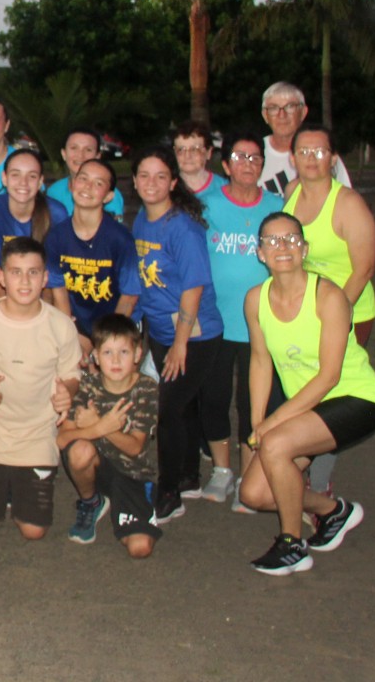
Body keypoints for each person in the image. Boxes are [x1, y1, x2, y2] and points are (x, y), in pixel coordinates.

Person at [239, 212, 375, 575]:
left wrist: (272, 425)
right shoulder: (255, 299)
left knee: (276, 445)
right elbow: (260, 361)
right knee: (254, 494)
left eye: (291, 239)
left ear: (304, 249)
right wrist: (257, 422)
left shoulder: (328, 296)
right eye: (272, 241)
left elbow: (329, 376)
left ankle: (292, 545)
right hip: (309, 409)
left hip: (356, 399)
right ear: (260, 253)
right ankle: (332, 511)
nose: (283, 246)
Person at [0, 236, 81, 539]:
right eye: (16, 272)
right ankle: (1, 482)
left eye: (33, 272)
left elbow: (71, 374)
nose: (24, 281)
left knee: (34, 531)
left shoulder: (60, 324)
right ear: (1, 277)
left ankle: (16, 484)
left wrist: (68, 392)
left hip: (36, 436)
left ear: (45, 278)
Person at [130, 146, 227, 522]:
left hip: (194, 334)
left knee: (168, 410)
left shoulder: (182, 227)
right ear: (134, 181)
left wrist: (180, 345)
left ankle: (169, 492)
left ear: (173, 182)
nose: (151, 183)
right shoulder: (142, 219)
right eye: (144, 175)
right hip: (160, 329)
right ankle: (188, 476)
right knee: (183, 406)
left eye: (160, 176)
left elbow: (193, 287)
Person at [282, 123, 375, 498]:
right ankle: (302, 462)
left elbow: (364, 268)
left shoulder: (348, 204)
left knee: (330, 394)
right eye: (303, 151)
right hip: (305, 312)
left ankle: (319, 484)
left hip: (348, 311)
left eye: (320, 151)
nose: (311, 158)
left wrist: (335, 317)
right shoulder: (291, 193)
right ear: (292, 159)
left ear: (333, 158)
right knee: (307, 387)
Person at [200, 131, 283, 503]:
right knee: (214, 398)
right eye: (240, 157)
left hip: (261, 326)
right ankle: (221, 471)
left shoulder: (277, 206)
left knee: (255, 404)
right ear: (226, 164)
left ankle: (249, 475)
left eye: (255, 158)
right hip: (215, 322)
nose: (248, 164)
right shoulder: (207, 206)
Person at [56, 314, 160, 557]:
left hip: (132, 472)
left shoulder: (146, 388)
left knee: (140, 548)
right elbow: (61, 440)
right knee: (79, 450)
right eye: (107, 352)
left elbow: (135, 447)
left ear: (137, 354)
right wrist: (97, 428)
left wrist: (104, 426)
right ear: (95, 356)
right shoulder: (87, 385)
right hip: (98, 467)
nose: (115, 360)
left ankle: (138, 505)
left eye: (123, 352)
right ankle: (91, 502)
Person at [44, 158, 140, 358]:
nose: (88, 187)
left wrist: (105, 342)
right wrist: (71, 338)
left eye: (98, 183)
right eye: (83, 179)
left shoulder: (120, 239)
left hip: (116, 323)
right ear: (73, 184)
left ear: (109, 196)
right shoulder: (56, 236)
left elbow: (129, 296)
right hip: (75, 323)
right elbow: (58, 293)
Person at [0, 149, 68, 300]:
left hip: (45, 293)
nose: (23, 183)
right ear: (4, 178)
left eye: (32, 176)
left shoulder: (56, 214)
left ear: (40, 182)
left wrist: (43, 311)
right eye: (15, 175)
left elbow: (53, 275)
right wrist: (5, 311)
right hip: (8, 291)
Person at [260, 82, 350, 196]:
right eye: (273, 108)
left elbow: (345, 197)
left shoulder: (323, 154)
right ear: (265, 115)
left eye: (290, 107)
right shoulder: (252, 154)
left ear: (303, 112)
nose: (282, 115)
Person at [47, 126, 125, 218]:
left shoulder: (106, 194)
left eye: (88, 150)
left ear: (97, 156)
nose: (80, 155)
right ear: (64, 154)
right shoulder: (54, 191)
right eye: (74, 148)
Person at [173, 120, 223, 200]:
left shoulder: (224, 188)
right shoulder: (166, 187)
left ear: (208, 152)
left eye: (194, 149)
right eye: (181, 149)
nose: (187, 156)